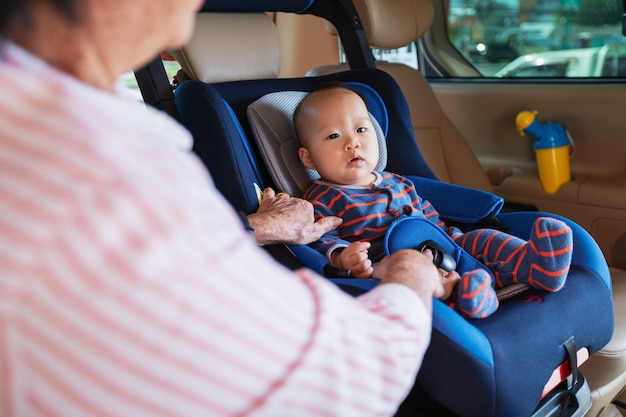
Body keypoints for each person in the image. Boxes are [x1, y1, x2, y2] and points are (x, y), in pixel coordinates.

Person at [0, 1, 450, 416]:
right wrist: (411, 272)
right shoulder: (105, 176)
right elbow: (351, 381)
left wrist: (256, 226)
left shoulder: (57, 130)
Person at [294, 84, 574, 319]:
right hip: (389, 262)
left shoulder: (398, 180)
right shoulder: (321, 198)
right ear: (308, 158)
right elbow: (317, 238)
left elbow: (428, 212)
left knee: (484, 239)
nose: (352, 143)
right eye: (334, 136)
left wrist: (452, 238)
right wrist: (342, 256)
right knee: (409, 268)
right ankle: (464, 296)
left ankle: (534, 265)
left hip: (444, 242)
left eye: (361, 130)